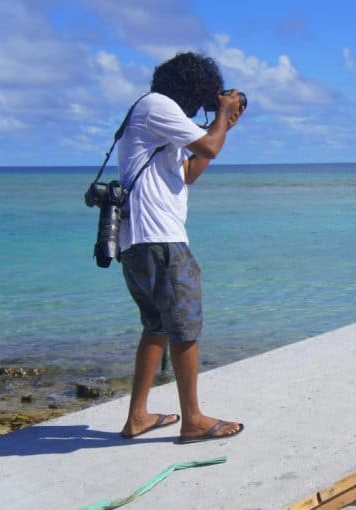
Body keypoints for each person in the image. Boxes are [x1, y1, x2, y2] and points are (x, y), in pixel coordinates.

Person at [117, 52, 245, 443]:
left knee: (156, 326)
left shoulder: (155, 115)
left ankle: (137, 416)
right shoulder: (158, 106)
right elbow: (209, 146)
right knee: (184, 326)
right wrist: (222, 116)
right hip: (160, 240)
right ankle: (193, 420)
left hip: (140, 240)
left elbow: (187, 172)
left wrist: (223, 125)